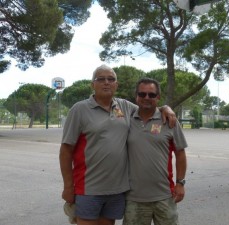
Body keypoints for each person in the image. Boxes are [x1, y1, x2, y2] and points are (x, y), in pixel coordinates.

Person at [59, 65, 176, 225]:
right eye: (101, 79)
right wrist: (68, 186)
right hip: (88, 189)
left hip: (117, 190)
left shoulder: (125, 107)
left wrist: (166, 108)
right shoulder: (79, 109)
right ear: (93, 84)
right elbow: (66, 151)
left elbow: (148, 107)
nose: (106, 82)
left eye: (111, 79)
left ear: (116, 85)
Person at [123, 78, 187, 225]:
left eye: (151, 95)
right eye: (142, 94)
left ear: (158, 97)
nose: (147, 98)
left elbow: (180, 153)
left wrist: (181, 183)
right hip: (134, 198)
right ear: (136, 96)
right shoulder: (126, 119)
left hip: (165, 196)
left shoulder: (170, 121)